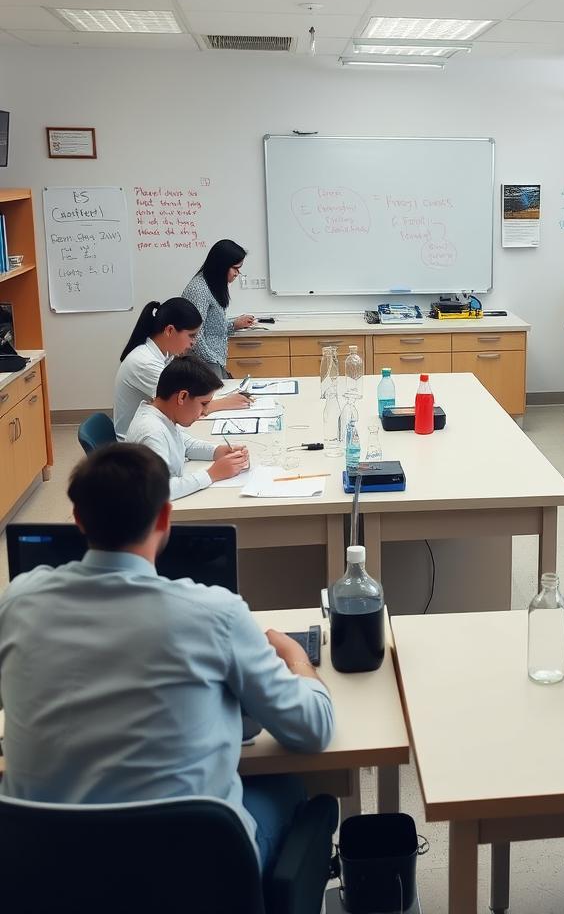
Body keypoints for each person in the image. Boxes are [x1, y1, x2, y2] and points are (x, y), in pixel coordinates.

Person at [0, 443, 334, 874]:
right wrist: (297, 661)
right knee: (287, 787)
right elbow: (313, 729)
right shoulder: (215, 613)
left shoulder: (19, 602)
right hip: (194, 878)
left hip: (48, 874)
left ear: (78, 518)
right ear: (164, 517)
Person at [113, 297, 251, 440]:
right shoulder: (144, 362)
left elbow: (190, 395)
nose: (193, 342)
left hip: (158, 431)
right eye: (191, 335)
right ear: (170, 330)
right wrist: (226, 402)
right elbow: (182, 404)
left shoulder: (165, 355)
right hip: (139, 445)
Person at [126, 356, 249, 499]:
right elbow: (159, 490)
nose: (205, 411)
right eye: (204, 404)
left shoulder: (163, 415)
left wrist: (218, 451)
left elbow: (186, 444)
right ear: (182, 397)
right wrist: (212, 474)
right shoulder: (152, 432)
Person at [182, 239, 255, 377]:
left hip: (212, 361)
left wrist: (234, 325)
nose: (237, 273)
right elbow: (195, 334)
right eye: (235, 268)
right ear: (221, 266)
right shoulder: (199, 289)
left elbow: (212, 328)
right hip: (204, 364)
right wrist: (213, 362)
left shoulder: (212, 285)